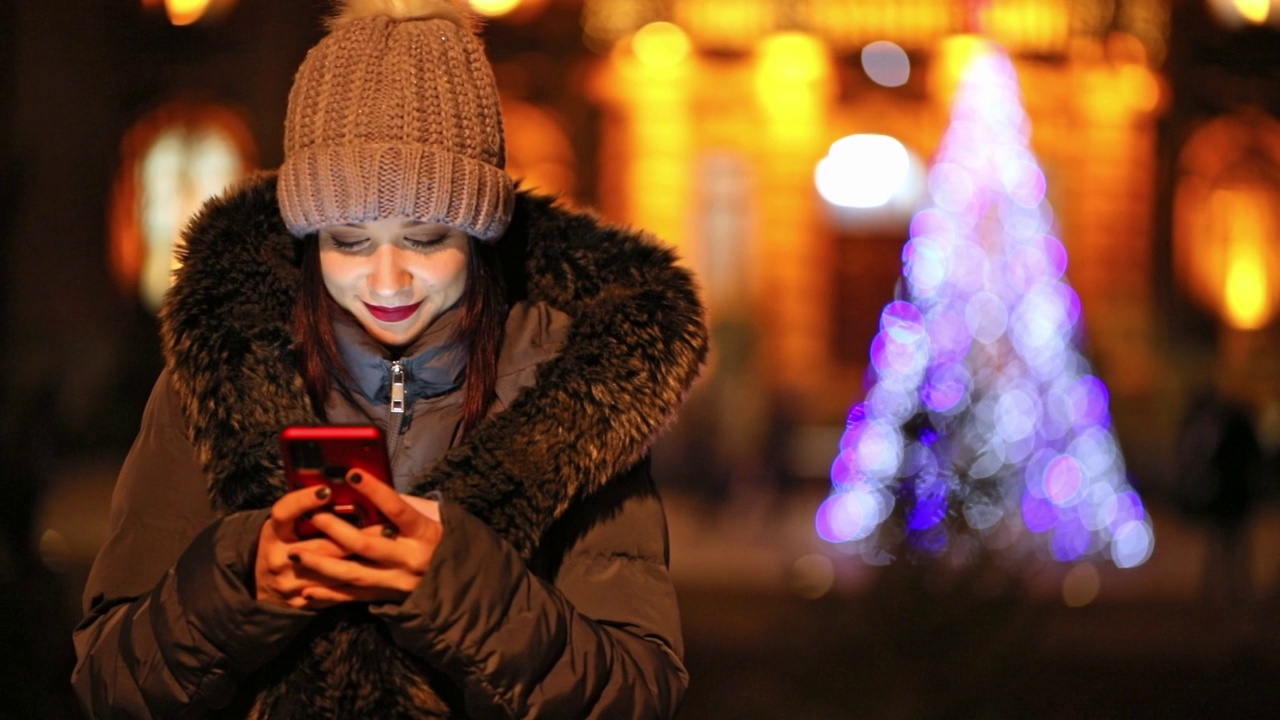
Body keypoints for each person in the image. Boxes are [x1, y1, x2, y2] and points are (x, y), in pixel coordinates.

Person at [70, 0, 708, 717]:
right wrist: (245, 581)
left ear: (479, 235)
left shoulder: (578, 395)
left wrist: (452, 583)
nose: (386, 281)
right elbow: (109, 683)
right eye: (348, 241)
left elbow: (635, 693)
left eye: (428, 238)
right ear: (310, 241)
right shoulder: (216, 374)